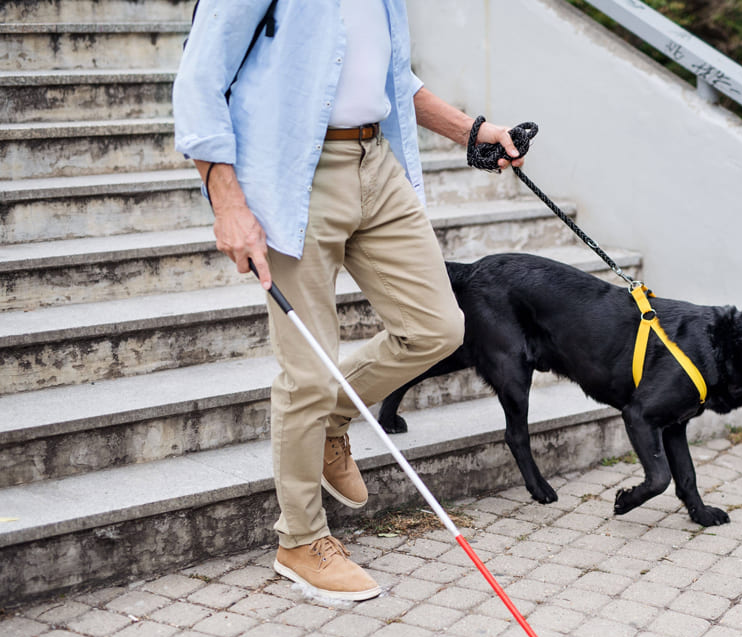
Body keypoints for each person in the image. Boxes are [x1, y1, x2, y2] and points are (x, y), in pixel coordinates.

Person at [173, 0, 524, 601]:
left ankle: (332, 419)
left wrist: (472, 131)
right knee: (306, 371)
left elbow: (390, 75)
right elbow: (199, 81)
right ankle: (300, 540)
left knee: (438, 328)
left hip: (376, 165)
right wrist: (227, 202)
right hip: (294, 174)